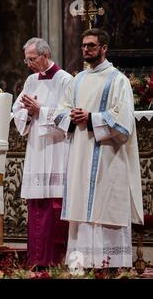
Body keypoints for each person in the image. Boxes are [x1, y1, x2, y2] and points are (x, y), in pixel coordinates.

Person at [54, 28, 144, 270]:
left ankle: (110, 266)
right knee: (81, 208)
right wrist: (71, 116)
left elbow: (123, 122)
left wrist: (92, 117)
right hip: (80, 155)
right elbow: (60, 111)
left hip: (107, 156)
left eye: (91, 46)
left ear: (104, 48)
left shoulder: (118, 81)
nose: (86, 49)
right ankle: (80, 265)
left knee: (106, 207)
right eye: (84, 45)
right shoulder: (77, 80)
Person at [12, 38, 72, 268]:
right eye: (26, 59)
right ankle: (37, 260)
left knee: (56, 204)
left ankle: (57, 261)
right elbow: (17, 110)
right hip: (37, 147)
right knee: (37, 205)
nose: (28, 63)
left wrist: (41, 111)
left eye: (32, 59)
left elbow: (69, 117)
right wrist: (27, 113)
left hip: (58, 149)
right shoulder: (30, 80)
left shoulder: (66, 80)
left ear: (45, 55)